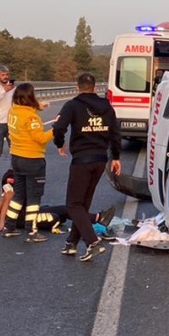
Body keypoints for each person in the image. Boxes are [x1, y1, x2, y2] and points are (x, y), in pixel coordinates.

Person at [52, 72, 122, 262]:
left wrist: (59, 144)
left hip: (82, 160)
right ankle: (71, 243)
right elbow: (115, 132)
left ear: (77, 87)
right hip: (100, 159)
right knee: (83, 203)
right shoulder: (107, 106)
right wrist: (115, 157)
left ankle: (92, 241)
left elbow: (59, 128)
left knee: (73, 204)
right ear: (94, 87)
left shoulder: (73, 105)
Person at [3, 83, 54, 241]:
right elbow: (40, 138)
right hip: (32, 159)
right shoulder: (32, 117)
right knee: (34, 197)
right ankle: (31, 231)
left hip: (16, 158)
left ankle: (9, 226)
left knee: (18, 195)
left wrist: (39, 106)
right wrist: (56, 128)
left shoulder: (13, 111)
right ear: (30, 97)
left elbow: (24, 111)